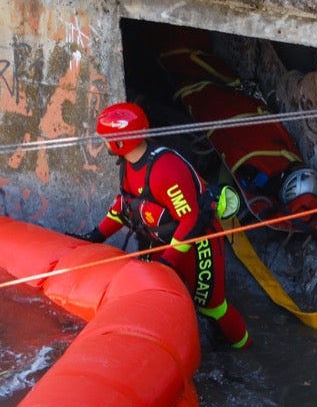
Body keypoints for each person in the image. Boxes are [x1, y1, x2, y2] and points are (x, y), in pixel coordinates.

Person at [79, 102, 250, 349]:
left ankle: (245, 349)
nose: (103, 143)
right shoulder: (128, 164)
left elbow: (190, 220)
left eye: (106, 138)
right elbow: (125, 205)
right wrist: (95, 236)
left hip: (198, 244)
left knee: (213, 307)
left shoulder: (164, 171)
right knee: (152, 300)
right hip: (161, 241)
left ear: (119, 142)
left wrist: (167, 263)